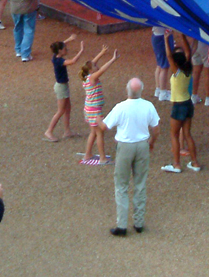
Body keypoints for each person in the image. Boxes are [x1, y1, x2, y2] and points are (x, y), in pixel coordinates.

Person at [102, 79, 159, 236]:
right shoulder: (148, 106)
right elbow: (156, 128)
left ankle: (122, 224)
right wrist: (151, 142)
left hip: (125, 146)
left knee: (121, 185)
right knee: (140, 183)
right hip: (142, 145)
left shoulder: (120, 107)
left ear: (127, 90)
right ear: (141, 90)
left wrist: (96, 119)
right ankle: (138, 222)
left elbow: (105, 126)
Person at [162, 34, 200, 173]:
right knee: (188, 134)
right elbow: (188, 51)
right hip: (188, 103)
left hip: (178, 106)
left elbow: (169, 56)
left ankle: (176, 164)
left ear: (175, 63)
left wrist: (166, 40)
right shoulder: (188, 68)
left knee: (174, 135)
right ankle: (195, 163)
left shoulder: (177, 71)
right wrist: (183, 35)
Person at [80, 45, 119, 164]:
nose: (97, 66)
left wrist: (102, 53)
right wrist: (112, 59)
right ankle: (102, 158)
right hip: (94, 110)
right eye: (95, 66)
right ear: (91, 70)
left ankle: (87, 154)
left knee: (93, 132)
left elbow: (92, 64)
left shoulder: (86, 76)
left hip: (89, 108)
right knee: (99, 133)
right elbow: (102, 70)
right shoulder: (92, 77)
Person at [44, 36, 83, 141]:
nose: (67, 49)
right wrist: (81, 51)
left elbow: (60, 45)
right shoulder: (59, 61)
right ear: (60, 51)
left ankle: (67, 131)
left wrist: (69, 40)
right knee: (61, 110)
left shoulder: (55, 55)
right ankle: (49, 131)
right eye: (65, 48)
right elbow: (73, 61)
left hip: (63, 86)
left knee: (67, 108)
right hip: (61, 87)